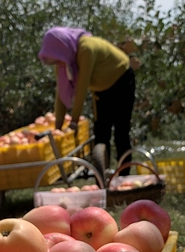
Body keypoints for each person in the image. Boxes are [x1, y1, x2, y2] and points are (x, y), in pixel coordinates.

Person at [39, 27, 136, 175]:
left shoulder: (86, 49)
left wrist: (74, 121)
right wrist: (57, 127)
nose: (58, 64)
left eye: (57, 60)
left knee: (121, 131)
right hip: (100, 88)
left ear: (61, 50)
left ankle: (124, 176)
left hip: (121, 80)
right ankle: (102, 178)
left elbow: (82, 88)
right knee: (101, 133)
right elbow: (61, 92)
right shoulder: (64, 60)